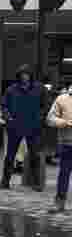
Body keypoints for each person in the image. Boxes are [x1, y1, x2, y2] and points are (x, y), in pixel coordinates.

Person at [0, 64, 44, 191]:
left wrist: (39, 118)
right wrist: (8, 118)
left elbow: (45, 105)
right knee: (10, 156)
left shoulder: (39, 88)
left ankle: (37, 183)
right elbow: (3, 105)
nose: (24, 77)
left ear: (31, 75)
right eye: (22, 75)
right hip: (15, 127)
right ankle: (5, 182)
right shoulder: (11, 89)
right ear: (18, 76)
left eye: (27, 74)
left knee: (34, 155)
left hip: (33, 127)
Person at [46, 83, 72, 213]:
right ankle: (59, 202)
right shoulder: (62, 99)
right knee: (64, 174)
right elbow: (50, 118)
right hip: (67, 143)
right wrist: (63, 122)